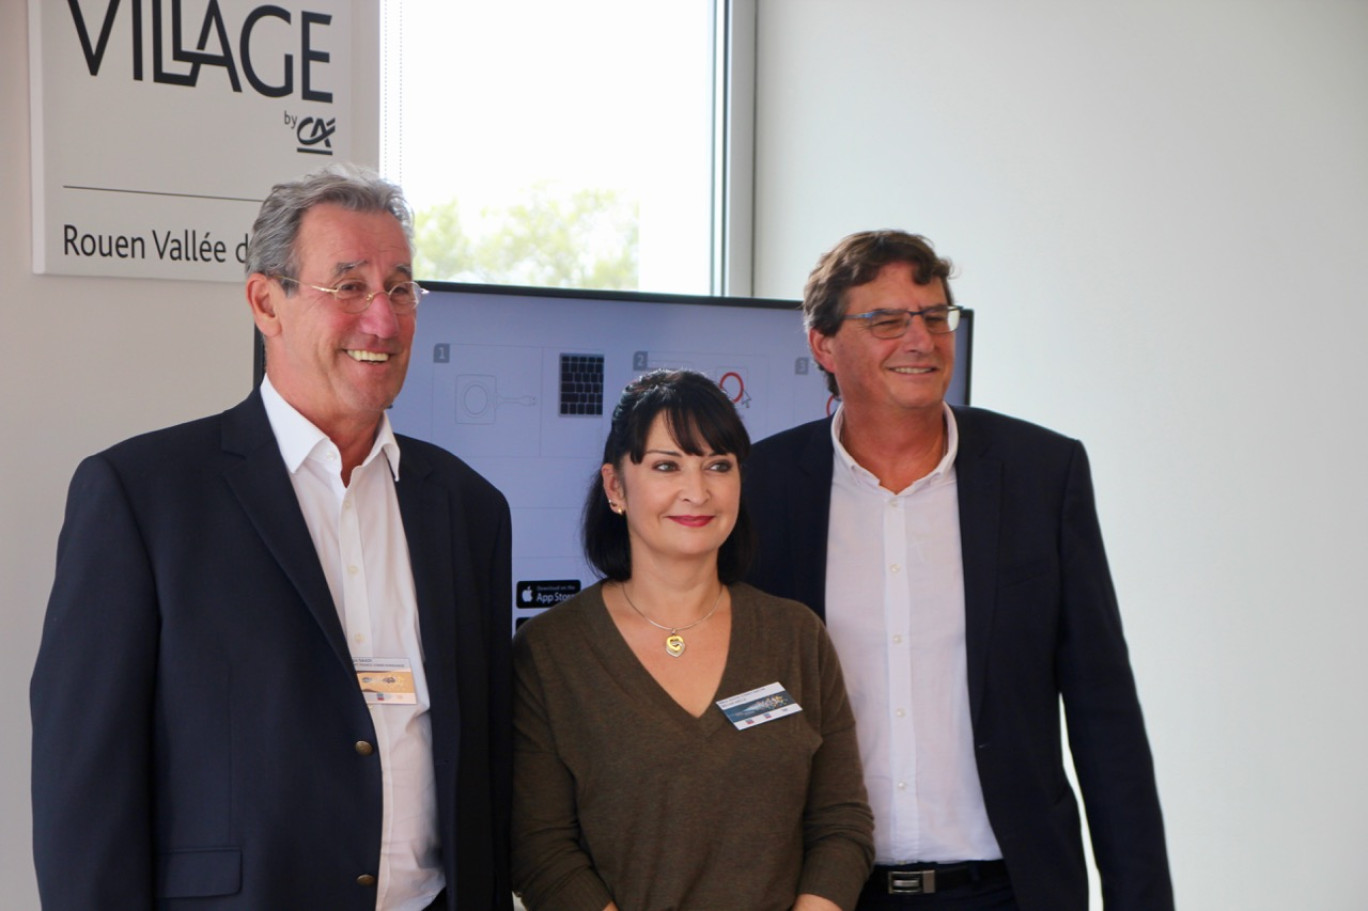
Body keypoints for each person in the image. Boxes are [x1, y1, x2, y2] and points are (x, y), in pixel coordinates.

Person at [31, 164, 513, 911]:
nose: (382, 320)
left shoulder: (468, 508)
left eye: (400, 288)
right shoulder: (144, 497)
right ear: (266, 301)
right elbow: (84, 794)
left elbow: (482, 770)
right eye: (348, 286)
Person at [742, 231, 1174, 911]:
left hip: (1010, 887)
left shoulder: (1041, 474)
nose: (921, 338)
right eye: (887, 320)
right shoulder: (761, 488)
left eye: (934, 316)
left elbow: (1104, 715)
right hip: (826, 894)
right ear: (823, 344)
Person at [511, 369, 874, 911]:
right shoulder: (550, 652)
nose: (697, 491)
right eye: (665, 466)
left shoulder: (795, 635)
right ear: (615, 487)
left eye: (718, 466)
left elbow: (842, 824)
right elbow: (541, 850)